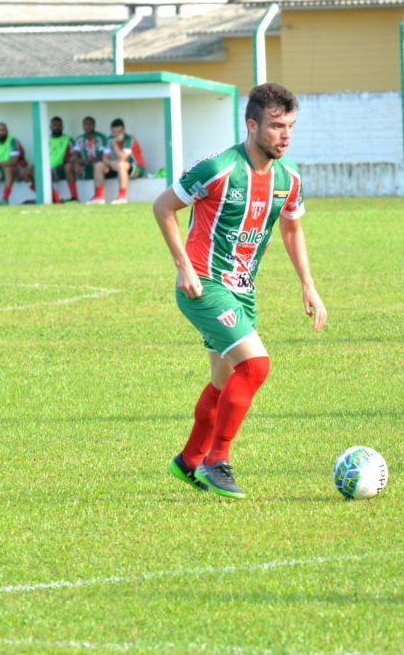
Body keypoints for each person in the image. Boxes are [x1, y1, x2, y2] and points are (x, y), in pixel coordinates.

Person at [152, 83, 327, 499]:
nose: (285, 135)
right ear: (252, 125)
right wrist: (182, 267)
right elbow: (163, 206)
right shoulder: (218, 168)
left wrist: (309, 285)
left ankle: (189, 460)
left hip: (242, 292)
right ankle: (217, 461)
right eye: (276, 126)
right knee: (256, 366)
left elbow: (292, 227)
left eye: (291, 126)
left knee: (222, 380)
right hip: (204, 285)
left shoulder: (289, 178)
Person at [66, 116, 110, 204]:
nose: (88, 126)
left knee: (98, 165)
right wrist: (76, 164)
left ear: (94, 125)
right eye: (85, 124)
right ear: (83, 126)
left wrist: (83, 161)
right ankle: (74, 197)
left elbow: (102, 157)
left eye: (90, 124)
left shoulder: (102, 138)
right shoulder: (79, 139)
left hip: (99, 167)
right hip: (85, 167)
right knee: (68, 166)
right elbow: (74, 156)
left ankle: (98, 196)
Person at [104, 118, 146, 204]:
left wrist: (115, 144)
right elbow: (104, 158)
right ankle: (98, 197)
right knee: (99, 166)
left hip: (137, 168)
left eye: (119, 132)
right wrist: (110, 163)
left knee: (121, 165)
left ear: (123, 130)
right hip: (118, 165)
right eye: (114, 132)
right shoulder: (109, 139)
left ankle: (122, 196)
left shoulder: (129, 139)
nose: (116, 134)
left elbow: (122, 157)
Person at [45, 116, 71, 204]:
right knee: (32, 171)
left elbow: (72, 155)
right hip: (47, 168)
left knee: (50, 174)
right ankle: (53, 198)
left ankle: (57, 199)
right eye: (54, 125)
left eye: (59, 125)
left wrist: (64, 164)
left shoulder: (68, 139)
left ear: (62, 127)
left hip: (61, 168)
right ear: (50, 127)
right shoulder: (45, 140)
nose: (57, 127)